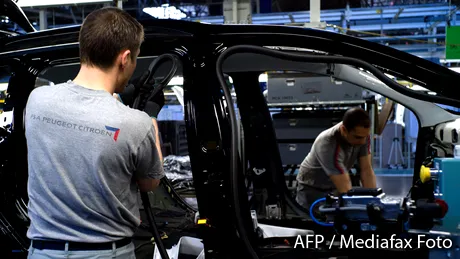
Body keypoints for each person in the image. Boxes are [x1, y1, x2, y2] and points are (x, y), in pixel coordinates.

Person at [24, 7, 164, 259]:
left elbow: (85, 119)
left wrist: (119, 98)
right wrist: (150, 115)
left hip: (43, 253)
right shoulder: (136, 124)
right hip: (106, 254)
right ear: (125, 58)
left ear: (84, 48)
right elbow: (149, 182)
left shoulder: (37, 101)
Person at [295, 107, 376, 211]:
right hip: (312, 189)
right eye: (358, 137)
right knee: (312, 222)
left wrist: (374, 201)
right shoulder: (328, 143)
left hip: (334, 187)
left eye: (365, 136)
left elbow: (366, 170)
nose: (362, 142)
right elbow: (345, 188)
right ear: (344, 130)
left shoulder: (363, 135)